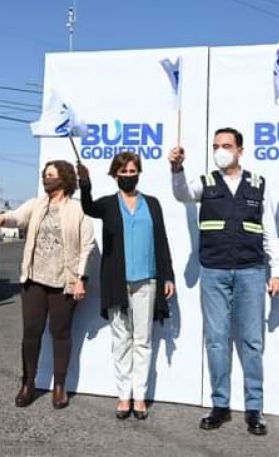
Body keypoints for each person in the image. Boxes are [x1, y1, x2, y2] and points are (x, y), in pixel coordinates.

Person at [169, 127, 279, 435]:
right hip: (214, 271)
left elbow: (269, 228)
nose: (221, 150)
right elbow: (181, 194)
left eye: (227, 145)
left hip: (251, 271)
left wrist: (278, 272)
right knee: (217, 341)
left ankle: (254, 409)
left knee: (251, 342)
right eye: (216, 145)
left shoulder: (258, 183)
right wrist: (177, 168)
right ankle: (220, 405)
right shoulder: (205, 183)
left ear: (240, 151)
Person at [0, 160, 97, 410]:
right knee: (31, 333)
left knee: (61, 334)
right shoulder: (37, 204)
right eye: (45, 175)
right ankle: (28, 384)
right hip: (34, 280)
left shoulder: (77, 210)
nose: (47, 179)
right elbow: (17, 217)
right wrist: (1, 219)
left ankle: (59, 387)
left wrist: (81, 279)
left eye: (52, 176)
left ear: (65, 179)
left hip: (63, 282)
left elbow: (88, 246)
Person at [77, 152, 176, 421]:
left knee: (142, 341)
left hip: (147, 282)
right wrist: (84, 183)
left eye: (133, 172)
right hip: (117, 283)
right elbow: (87, 208)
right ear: (115, 175)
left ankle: (140, 396)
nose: (129, 176)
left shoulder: (152, 204)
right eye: (124, 172)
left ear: (139, 174)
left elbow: (162, 241)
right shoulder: (108, 205)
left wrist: (168, 276)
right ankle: (124, 396)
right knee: (121, 340)